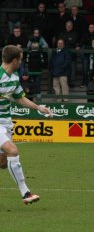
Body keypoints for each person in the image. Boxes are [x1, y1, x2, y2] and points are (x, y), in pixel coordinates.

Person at [0, 45, 53, 204]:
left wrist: (38, 108)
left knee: (3, 163)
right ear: (15, 60)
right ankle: (26, 193)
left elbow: (20, 98)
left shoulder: (14, 77)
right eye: (21, 59)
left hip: (6, 123)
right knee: (13, 150)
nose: (22, 62)